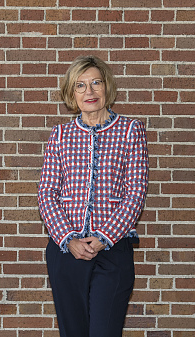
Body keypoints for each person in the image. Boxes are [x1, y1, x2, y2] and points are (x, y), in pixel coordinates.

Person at [38, 55, 149, 337]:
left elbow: (135, 193)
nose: (89, 91)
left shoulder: (130, 131)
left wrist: (103, 238)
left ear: (106, 87)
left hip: (112, 251)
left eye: (95, 83)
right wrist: (68, 239)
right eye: (80, 85)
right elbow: (47, 194)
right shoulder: (60, 135)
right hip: (66, 252)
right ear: (71, 94)